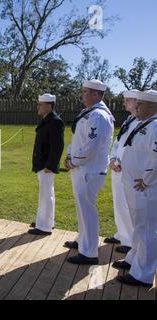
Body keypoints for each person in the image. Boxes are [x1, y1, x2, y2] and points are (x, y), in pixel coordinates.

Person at [64, 80, 115, 265]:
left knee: (87, 210)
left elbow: (91, 146)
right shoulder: (89, 113)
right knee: (81, 209)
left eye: (85, 92)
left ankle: (89, 253)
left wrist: (74, 161)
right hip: (81, 168)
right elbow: (78, 139)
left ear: (95, 94)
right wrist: (69, 156)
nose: (82, 94)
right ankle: (82, 241)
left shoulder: (99, 116)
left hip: (89, 170)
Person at [113, 90, 157, 288]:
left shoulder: (155, 127)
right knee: (139, 227)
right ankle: (134, 260)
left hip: (145, 188)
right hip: (134, 185)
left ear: (152, 106)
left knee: (147, 230)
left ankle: (143, 273)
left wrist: (147, 180)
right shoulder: (141, 123)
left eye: (140, 104)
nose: (136, 107)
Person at [105, 90, 140, 254]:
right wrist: (112, 159)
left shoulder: (142, 121)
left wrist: (121, 162)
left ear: (137, 102)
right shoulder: (129, 119)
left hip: (128, 169)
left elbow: (136, 148)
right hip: (117, 167)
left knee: (127, 205)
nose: (124, 103)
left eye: (127, 100)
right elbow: (118, 143)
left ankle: (129, 240)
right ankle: (121, 233)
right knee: (118, 203)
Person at [29, 94, 65, 236]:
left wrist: (50, 165)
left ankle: (44, 226)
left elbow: (58, 146)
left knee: (46, 194)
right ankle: (44, 220)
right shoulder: (47, 120)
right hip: (41, 163)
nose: (38, 107)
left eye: (40, 104)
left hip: (46, 165)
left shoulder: (55, 122)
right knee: (45, 193)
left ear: (49, 106)